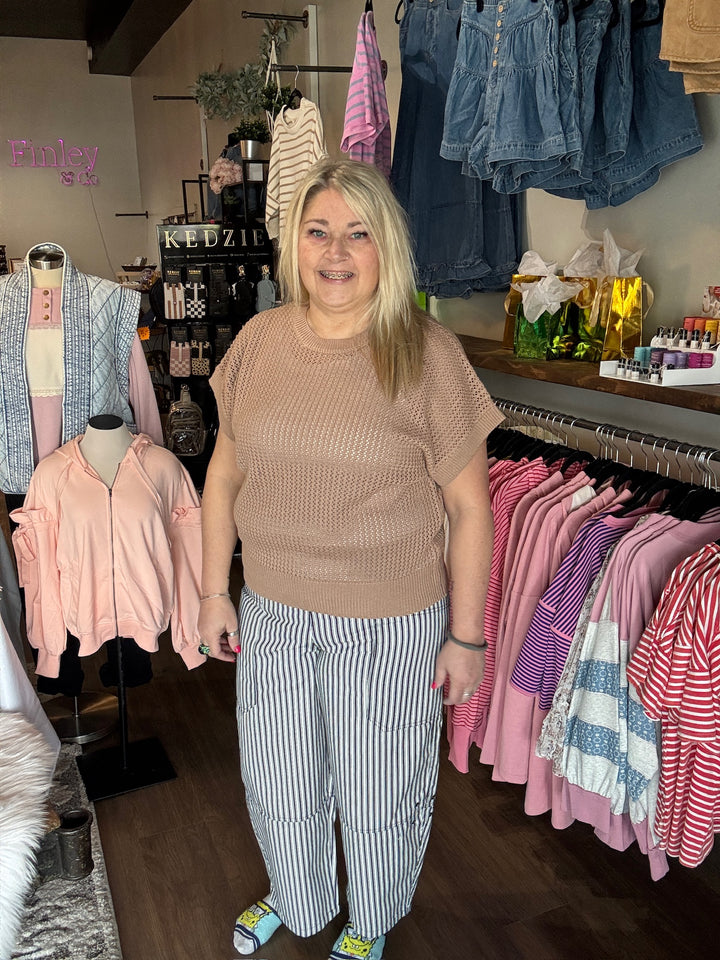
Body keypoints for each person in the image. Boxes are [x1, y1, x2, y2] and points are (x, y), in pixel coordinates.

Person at [197, 157, 503, 960]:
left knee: (379, 789)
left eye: (358, 233)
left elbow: (472, 508)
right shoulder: (260, 342)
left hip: (388, 622)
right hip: (270, 608)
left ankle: (371, 918)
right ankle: (297, 899)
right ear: (294, 243)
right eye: (319, 230)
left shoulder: (426, 352)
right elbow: (223, 474)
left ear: (386, 246)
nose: (336, 251)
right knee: (279, 778)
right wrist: (210, 593)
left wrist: (466, 638)